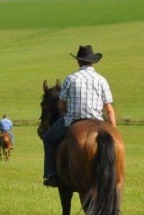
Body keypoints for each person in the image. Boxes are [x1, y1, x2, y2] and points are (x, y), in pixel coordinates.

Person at [41, 45, 116, 187]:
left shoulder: (70, 79)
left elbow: (61, 106)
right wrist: (114, 131)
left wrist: (66, 111)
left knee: (48, 139)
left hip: (72, 120)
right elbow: (110, 110)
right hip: (97, 120)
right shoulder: (101, 80)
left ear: (78, 62)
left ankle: (51, 175)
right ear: (93, 62)